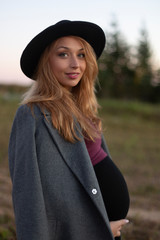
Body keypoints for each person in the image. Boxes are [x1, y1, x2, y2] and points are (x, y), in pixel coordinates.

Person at [8, 20, 130, 240]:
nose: (75, 64)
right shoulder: (32, 115)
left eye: (81, 55)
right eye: (63, 54)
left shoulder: (82, 108)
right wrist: (98, 231)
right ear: (46, 62)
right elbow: (28, 197)